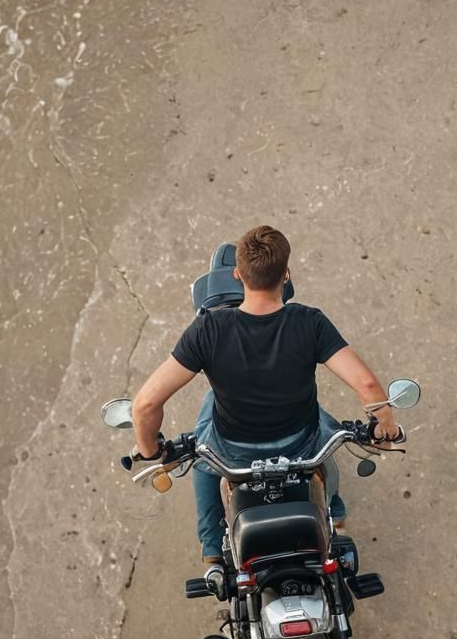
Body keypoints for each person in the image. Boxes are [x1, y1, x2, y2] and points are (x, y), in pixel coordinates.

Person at [131, 225, 400, 564]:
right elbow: (368, 387)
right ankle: (334, 510)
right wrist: (384, 430)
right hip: (300, 444)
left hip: (234, 452)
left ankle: (213, 551)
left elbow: (146, 404)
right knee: (330, 429)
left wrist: (151, 451)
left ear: (237, 274)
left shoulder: (208, 330)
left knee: (201, 454)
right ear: (286, 274)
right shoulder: (310, 322)